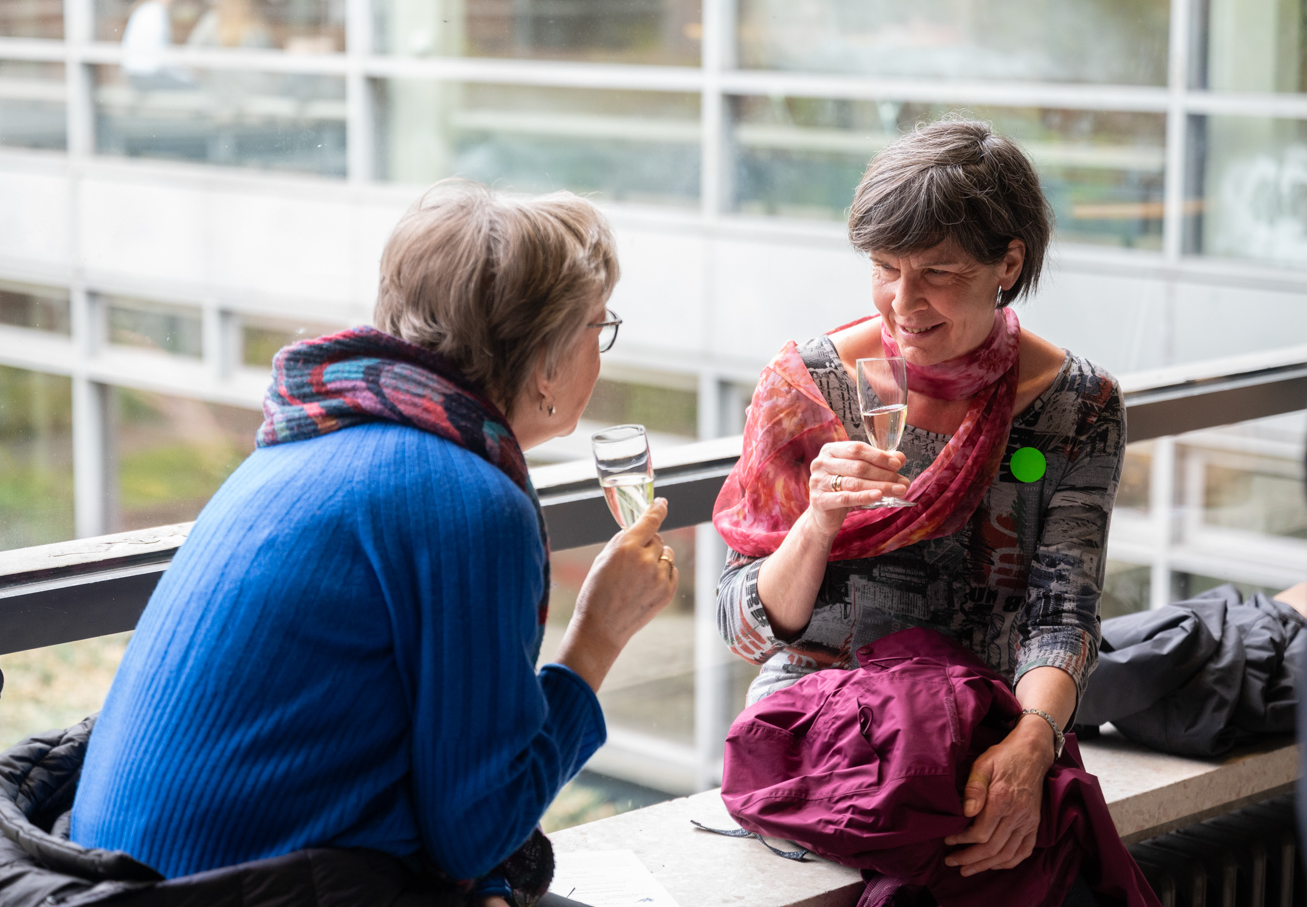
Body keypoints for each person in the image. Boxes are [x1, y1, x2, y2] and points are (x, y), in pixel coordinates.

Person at [65, 181, 679, 905]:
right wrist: (598, 636)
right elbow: (477, 830)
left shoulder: (308, 443)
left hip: (113, 882)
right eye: (596, 328)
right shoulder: (469, 501)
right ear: (545, 362)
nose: (599, 353)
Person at [713, 119, 1125, 887]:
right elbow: (737, 625)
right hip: (823, 742)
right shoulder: (806, 388)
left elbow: (1062, 612)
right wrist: (817, 521)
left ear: (1008, 261)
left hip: (982, 735)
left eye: (937, 272)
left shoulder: (1077, 404)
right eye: (883, 268)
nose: (903, 303)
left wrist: (1031, 742)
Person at [120, 0, 192, 90]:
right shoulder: (155, 12)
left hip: (141, 75)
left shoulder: (149, 10)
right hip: (147, 76)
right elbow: (160, 54)